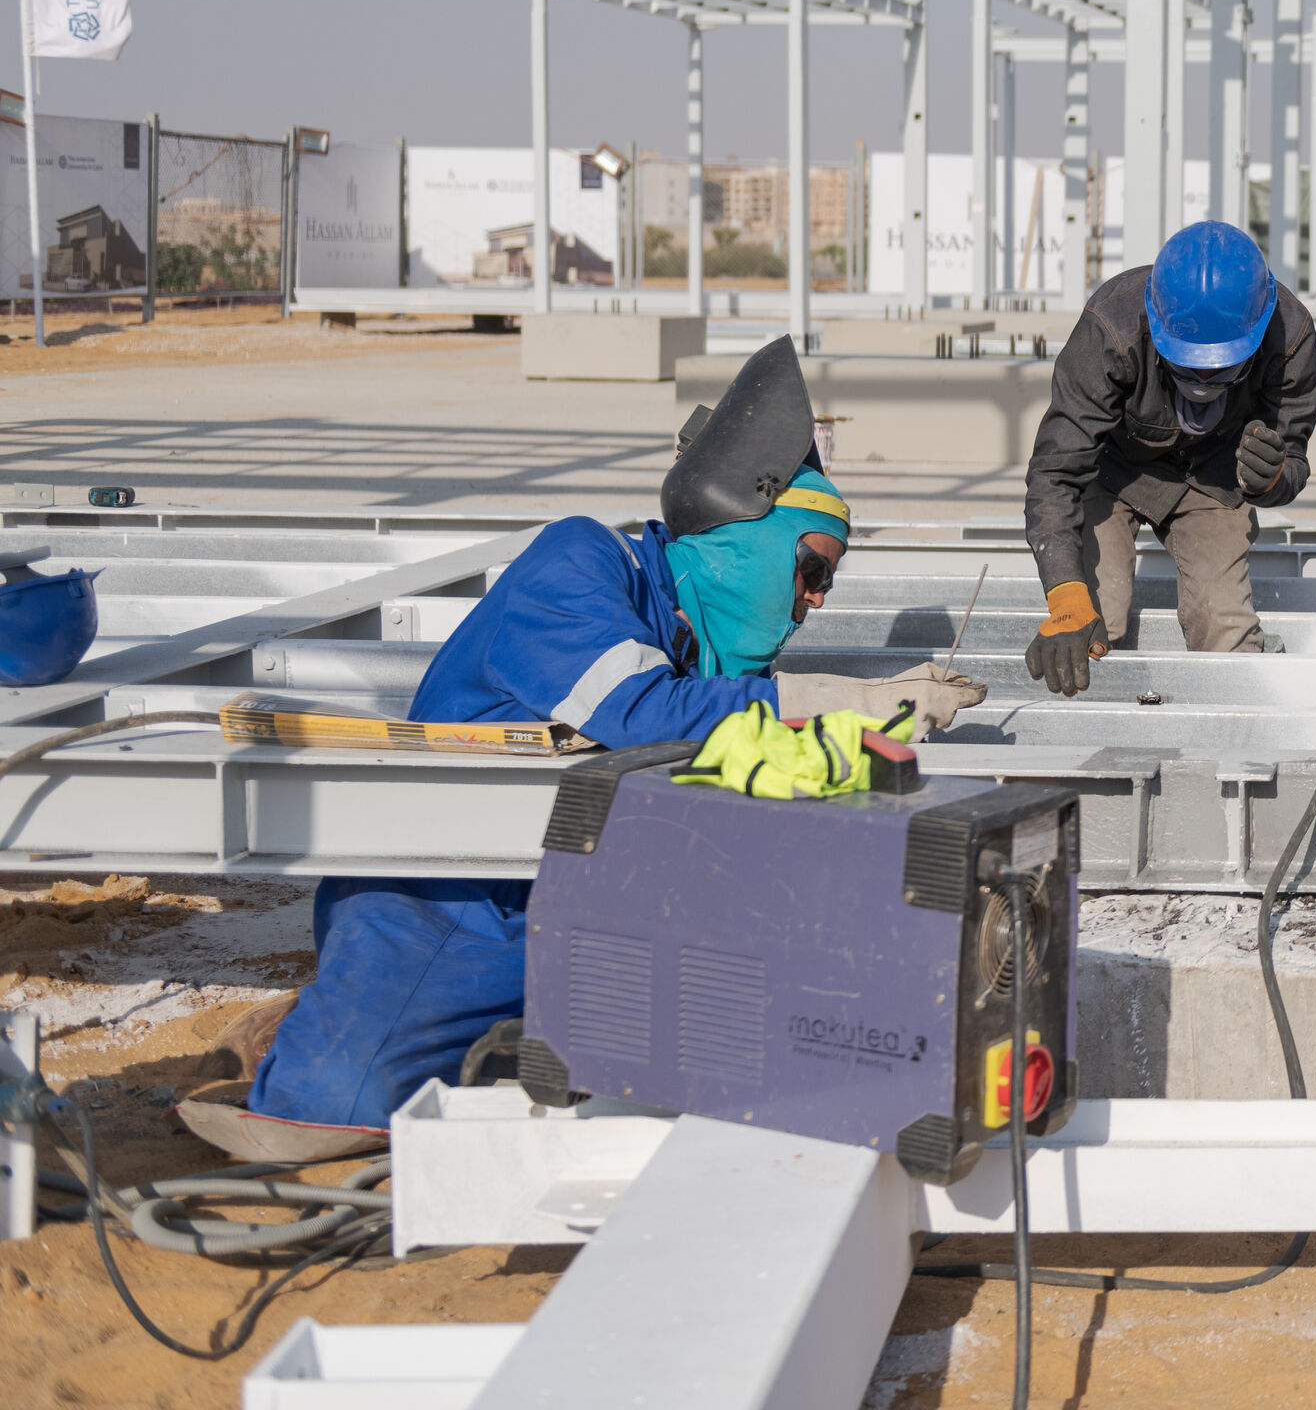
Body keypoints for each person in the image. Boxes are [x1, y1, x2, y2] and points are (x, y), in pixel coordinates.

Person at [199, 339, 986, 1159]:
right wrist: (854, 701)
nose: (814, 602)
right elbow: (641, 710)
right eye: (811, 571)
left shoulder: (695, 652)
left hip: (586, 911)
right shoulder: (578, 563)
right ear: (750, 536)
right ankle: (303, 1026)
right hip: (448, 916)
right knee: (321, 1113)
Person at [1022, 220, 1316, 693]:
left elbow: (1293, 461)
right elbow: (1055, 471)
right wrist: (1064, 593)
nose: (1203, 383)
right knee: (1094, 626)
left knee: (1226, 633)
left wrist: (1271, 478)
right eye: (1189, 366)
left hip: (1214, 477)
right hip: (1113, 473)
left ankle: (1229, 747)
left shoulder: (1290, 338)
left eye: (1220, 368)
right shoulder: (1112, 326)